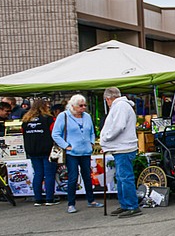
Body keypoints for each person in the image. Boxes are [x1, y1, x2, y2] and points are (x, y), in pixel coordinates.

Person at [51, 94, 101, 213]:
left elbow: (92, 132)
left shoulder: (87, 116)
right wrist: (66, 146)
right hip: (72, 153)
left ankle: (91, 200)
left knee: (87, 177)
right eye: (80, 105)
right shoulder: (63, 116)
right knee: (73, 178)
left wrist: (92, 143)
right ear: (73, 106)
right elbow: (55, 134)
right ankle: (71, 203)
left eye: (85, 105)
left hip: (85, 151)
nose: (83, 107)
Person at [100, 87, 141, 218]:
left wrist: (106, 138)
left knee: (124, 177)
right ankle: (125, 204)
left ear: (108, 99)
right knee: (121, 177)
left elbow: (118, 126)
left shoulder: (120, 106)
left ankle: (131, 206)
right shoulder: (122, 106)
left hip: (123, 148)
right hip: (122, 147)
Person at [20, 101, 59, 206]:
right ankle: (49, 198)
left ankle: (38, 199)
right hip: (46, 150)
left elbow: (23, 134)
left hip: (32, 151)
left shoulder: (26, 120)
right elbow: (55, 133)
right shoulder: (48, 119)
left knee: (38, 174)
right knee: (49, 174)